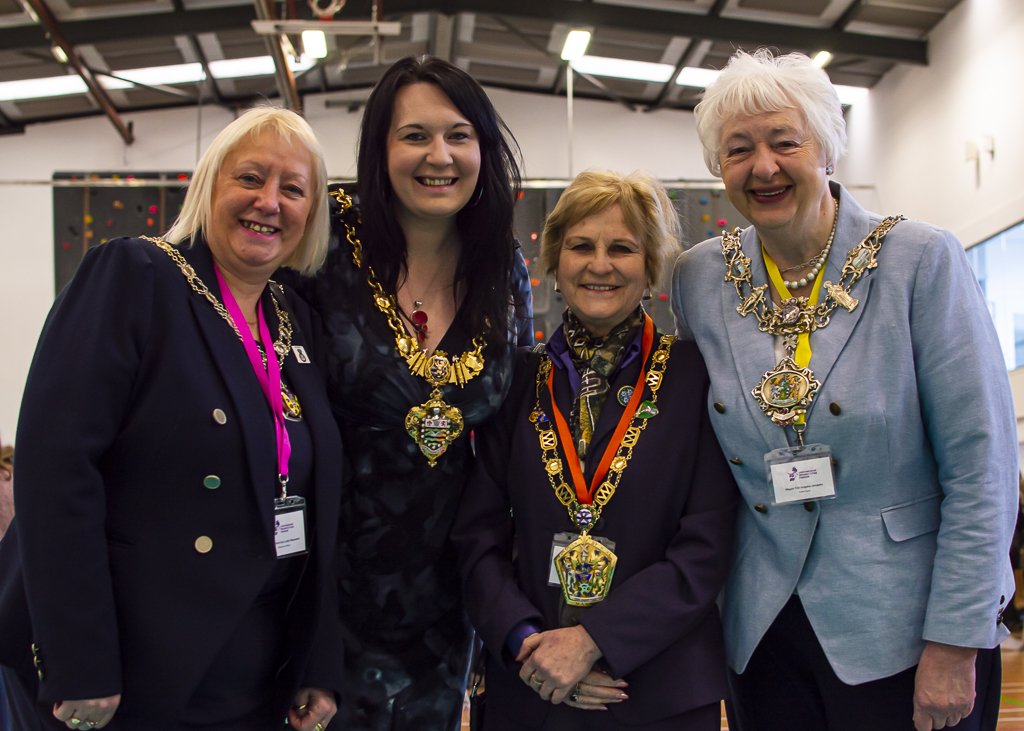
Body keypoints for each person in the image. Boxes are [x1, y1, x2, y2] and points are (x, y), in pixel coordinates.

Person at [671, 48, 1018, 731]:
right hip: (763, 632)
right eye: (738, 149)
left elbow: (983, 467)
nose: (762, 166)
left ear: (828, 149)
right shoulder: (699, 279)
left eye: (784, 142)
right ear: (719, 166)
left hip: (905, 630)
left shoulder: (920, 260)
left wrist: (955, 639)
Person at [0, 107, 344, 731]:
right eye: (250, 178)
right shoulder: (136, 275)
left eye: (293, 189)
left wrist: (314, 658)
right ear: (209, 185)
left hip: (256, 667)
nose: (269, 202)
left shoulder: (295, 316)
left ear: (311, 213)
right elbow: (56, 471)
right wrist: (80, 660)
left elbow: (313, 502)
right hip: (133, 664)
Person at [286, 55, 533, 730]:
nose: (440, 156)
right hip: (315, 587)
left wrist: (501, 600)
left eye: (459, 135)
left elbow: (513, 429)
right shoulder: (322, 239)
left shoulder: (500, 265)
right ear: (379, 148)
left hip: (442, 601)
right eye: (415, 135)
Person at [452, 170, 739, 730]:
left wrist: (592, 641)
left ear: (652, 265)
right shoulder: (516, 381)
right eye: (581, 246)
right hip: (530, 687)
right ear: (555, 261)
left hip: (657, 689)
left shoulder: (696, 378)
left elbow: (707, 545)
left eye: (623, 248)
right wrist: (526, 640)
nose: (600, 264)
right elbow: (476, 535)